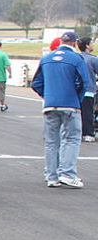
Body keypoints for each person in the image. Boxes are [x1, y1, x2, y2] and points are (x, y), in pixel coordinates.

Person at [31, 31, 94, 188]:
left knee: (51, 141)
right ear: (74, 42)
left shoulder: (46, 58)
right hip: (70, 104)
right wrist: (76, 99)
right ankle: (67, 173)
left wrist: (48, 95)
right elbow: (83, 82)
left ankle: (51, 176)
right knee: (71, 138)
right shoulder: (76, 58)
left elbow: (36, 83)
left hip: (50, 104)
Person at [78, 37, 98, 142]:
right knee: (88, 113)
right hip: (88, 90)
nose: (93, 45)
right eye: (91, 43)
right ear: (87, 45)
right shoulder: (93, 59)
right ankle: (88, 133)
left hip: (75, 92)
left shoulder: (75, 57)